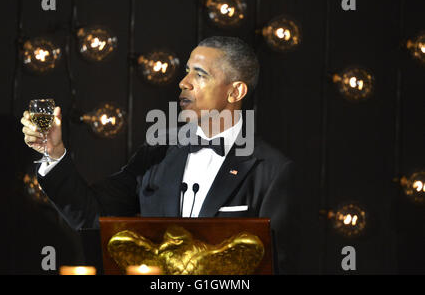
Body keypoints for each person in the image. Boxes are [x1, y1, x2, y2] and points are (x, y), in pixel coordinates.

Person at [21, 36, 297, 274]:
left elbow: (278, 266)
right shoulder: (157, 154)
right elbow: (93, 217)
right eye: (187, 72)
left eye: (200, 74)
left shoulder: (272, 170)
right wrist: (53, 153)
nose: (183, 83)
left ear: (235, 91)